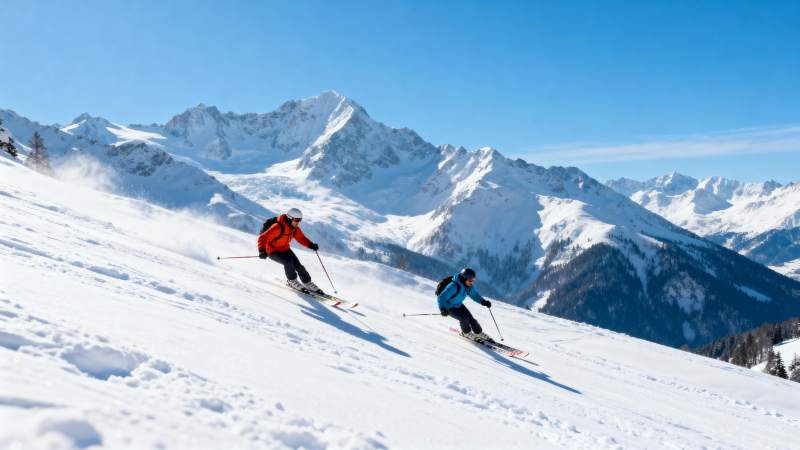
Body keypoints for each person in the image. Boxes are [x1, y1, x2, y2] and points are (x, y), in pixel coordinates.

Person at [258, 208, 323, 294]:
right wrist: (262, 250)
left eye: (300, 220)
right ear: (289, 218)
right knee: (287, 262)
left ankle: (308, 283)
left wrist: (311, 245)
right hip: (272, 250)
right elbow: (263, 237)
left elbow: (301, 238)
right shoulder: (277, 227)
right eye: (296, 220)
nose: (298, 222)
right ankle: (292, 281)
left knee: (299, 266)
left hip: (285, 249)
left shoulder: (294, 228)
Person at [438, 267, 493, 340]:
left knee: (471, 319)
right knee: (463, 318)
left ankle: (478, 333)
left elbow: (474, 295)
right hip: (448, 307)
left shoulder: (468, 286)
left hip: (459, 304)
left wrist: (483, 302)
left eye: (473, 280)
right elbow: (441, 297)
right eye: (470, 280)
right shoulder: (453, 286)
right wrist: (442, 309)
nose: (472, 282)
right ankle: (466, 333)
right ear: (464, 279)